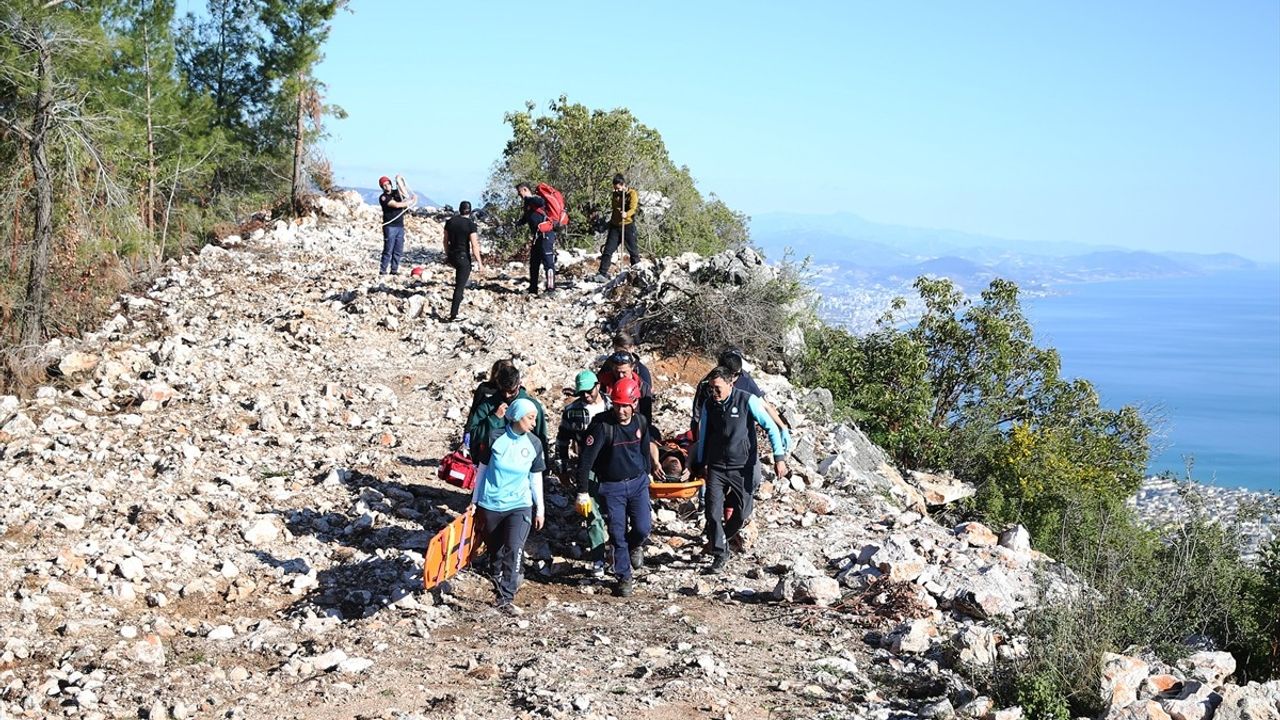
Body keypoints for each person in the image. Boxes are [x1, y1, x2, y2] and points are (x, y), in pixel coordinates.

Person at [691, 366, 789, 575]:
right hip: (717, 466)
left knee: (743, 512)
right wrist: (700, 462)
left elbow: (770, 427)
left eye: (717, 388)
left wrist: (778, 458)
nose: (713, 393)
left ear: (730, 384)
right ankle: (720, 553)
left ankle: (722, 538)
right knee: (712, 512)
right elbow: (704, 433)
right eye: (711, 388)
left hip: (743, 466)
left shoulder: (747, 400)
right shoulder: (710, 404)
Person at [575, 377, 660, 597]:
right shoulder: (602, 427)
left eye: (625, 406)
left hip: (638, 484)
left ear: (634, 404)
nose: (621, 410)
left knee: (642, 527)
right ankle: (624, 576)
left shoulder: (641, 422)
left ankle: (632, 547)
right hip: (611, 487)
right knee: (617, 532)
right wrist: (583, 492)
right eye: (617, 405)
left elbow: (643, 451)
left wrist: (647, 473)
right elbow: (586, 461)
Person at [468, 398, 546, 615]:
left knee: (515, 548)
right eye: (530, 418)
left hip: (520, 504)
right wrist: (474, 502)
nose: (533, 423)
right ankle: (496, 571)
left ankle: (506, 597)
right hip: (491, 503)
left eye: (535, 419)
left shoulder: (534, 443)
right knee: (496, 549)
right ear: (517, 416)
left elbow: (535, 478)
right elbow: (482, 471)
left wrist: (540, 509)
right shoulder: (494, 437)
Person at [554, 370, 611, 577]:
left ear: (597, 386)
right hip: (586, 467)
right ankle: (598, 559)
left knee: (613, 513)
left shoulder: (613, 406)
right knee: (592, 513)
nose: (586, 396)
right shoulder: (572, 412)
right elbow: (562, 440)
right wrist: (561, 467)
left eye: (589, 391)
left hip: (613, 467)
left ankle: (615, 553)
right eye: (582, 393)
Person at [466, 363, 549, 464]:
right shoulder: (488, 406)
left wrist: (543, 470)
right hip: (492, 465)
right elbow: (473, 437)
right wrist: (494, 419)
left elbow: (541, 438)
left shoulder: (532, 406)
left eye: (511, 391)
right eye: (503, 390)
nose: (506, 395)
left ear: (519, 384)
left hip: (523, 465)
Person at [442, 201, 483, 321]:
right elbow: (474, 245)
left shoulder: (450, 222)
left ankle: (459, 299)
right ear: (470, 211)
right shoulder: (471, 225)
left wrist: (447, 254)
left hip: (452, 255)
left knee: (460, 279)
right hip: (463, 257)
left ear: (459, 209)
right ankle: (454, 314)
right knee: (459, 286)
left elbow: (445, 241)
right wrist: (480, 263)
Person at [593, 174, 639, 281]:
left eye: (618, 188)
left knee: (633, 252)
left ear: (623, 185)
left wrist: (626, 214)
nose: (616, 190)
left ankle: (637, 274)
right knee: (608, 250)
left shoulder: (632, 194)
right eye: (614, 188)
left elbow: (633, 208)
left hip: (627, 225)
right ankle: (602, 273)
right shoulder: (615, 194)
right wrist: (617, 196)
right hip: (615, 226)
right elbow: (615, 207)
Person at [516, 182, 556, 294]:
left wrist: (529, 198)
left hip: (546, 235)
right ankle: (533, 288)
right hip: (537, 237)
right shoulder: (527, 204)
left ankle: (551, 289)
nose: (520, 196)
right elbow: (527, 216)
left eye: (520, 193)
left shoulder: (535, 199)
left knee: (548, 263)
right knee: (534, 263)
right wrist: (520, 222)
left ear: (525, 190)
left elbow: (540, 202)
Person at [598, 350, 654, 425]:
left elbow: (646, 416)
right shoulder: (603, 383)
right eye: (617, 372)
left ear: (632, 367)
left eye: (624, 372)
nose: (620, 376)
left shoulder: (642, 387)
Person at [378, 175, 416, 276]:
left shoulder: (396, 193)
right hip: (390, 226)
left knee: (398, 249)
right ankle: (383, 270)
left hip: (400, 226)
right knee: (388, 249)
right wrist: (410, 201)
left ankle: (394, 270)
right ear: (382, 187)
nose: (387, 187)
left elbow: (404, 192)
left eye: (388, 184)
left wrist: (399, 180)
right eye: (384, 185)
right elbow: (396, 205)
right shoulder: (383, 197)